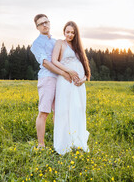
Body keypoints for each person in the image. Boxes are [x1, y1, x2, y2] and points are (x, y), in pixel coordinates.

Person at [30, 14, 74, 148]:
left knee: (59, 112)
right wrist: (62, 72)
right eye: (41, 23)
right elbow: (46, 63)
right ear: (37, 27)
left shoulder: (55, 41)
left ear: (49, 23)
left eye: (46, 22)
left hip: (60, 80)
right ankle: (41, 144)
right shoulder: (37, 44)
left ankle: (59, 142)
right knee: (44, 112)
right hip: (47, 78)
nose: (45, 25)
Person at [52, 21, 91, 155]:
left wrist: (83, 79)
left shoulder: (78, 47)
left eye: (72, 32)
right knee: (63, 109)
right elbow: (54, 61)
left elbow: (85, 68)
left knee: (78, 109)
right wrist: (69, 71)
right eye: (67, 32)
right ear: (64, 32)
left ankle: (77, 139)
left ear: (75, 34)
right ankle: (64, 142)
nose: (70, 34)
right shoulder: (60, 43)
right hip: (65, 81)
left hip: (78, 85)